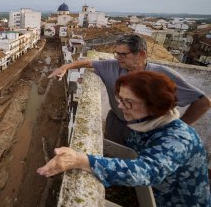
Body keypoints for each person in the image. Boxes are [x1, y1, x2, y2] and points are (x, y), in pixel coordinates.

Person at [38, 71, 210, 206]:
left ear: (154, 105)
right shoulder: (144, 122)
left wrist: (81, 160)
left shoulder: (179, 139)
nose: (121, 106)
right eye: (120, 99)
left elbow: (145, 171)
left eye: (129, 102)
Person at [48, 34, 211, 145]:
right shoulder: (113, 66)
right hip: (116, 125)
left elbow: (203, 102)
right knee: (112, 154)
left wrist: (180, 127)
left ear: (141, 54)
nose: (117, 58)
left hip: (148, 131)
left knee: (140, 169)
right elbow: (88, 62)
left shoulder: (162, 75)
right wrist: (65, 67)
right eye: (116, 53)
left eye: (123, 54)